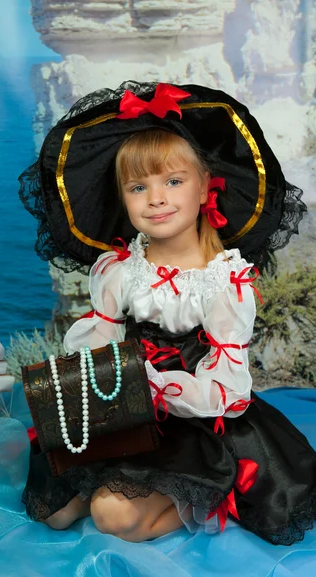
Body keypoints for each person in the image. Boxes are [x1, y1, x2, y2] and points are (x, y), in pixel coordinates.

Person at [19, 82, 316, 545]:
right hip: (124, 405)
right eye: (139, 187)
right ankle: (119, 484)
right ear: (125, 198)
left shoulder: (223, 282)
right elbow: (101, 338)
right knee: (53, 514)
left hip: (192, 418)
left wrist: (160, 388)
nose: (156, 198)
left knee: (112, 518)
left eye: (173, 182)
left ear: (205, 189)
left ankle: (209, 495)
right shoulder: (120, 270)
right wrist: (116, 379)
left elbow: (225, 387)